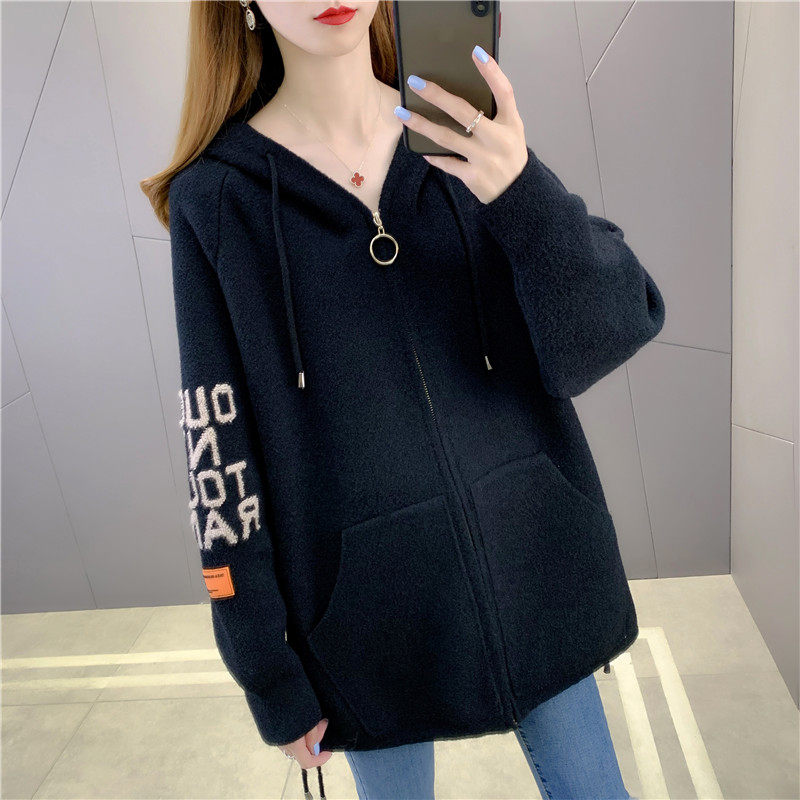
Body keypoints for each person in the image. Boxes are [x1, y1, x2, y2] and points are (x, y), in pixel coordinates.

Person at [141, 2, 664, 798]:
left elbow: (612, 329)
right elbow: (219, 458)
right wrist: (265, 667)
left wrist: (519, 190)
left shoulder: (465, 137)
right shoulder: (220, 202)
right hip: (367, 623)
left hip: (537, 569)